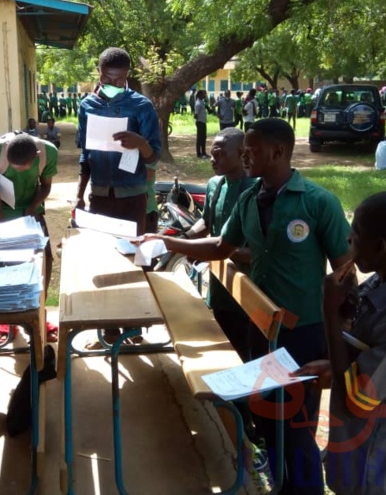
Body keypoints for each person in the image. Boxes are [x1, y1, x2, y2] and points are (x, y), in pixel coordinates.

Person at [142, 119, 351, 493]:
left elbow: (345, 271)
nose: (244, 156)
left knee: (297, 425)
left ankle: (303, 488)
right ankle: (280, 481)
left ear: (279, 152)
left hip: (303, 333)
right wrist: (168, 242)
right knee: (267, 414)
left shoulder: (317, 202)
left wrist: (340, 340)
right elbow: (221, 247)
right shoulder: (250, 197)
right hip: (260, 326)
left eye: (251, 151)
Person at [294, 190, 386, 495]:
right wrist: (347, 317)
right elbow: (370, 352)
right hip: (362, 454)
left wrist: (329, 315)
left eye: (356, 234)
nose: (348, 239)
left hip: (374, 470)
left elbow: (358, 401)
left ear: (380, 247)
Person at [75, 47, 161, 347]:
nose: (115, 82)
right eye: (110, 77)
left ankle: (134, 330)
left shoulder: (141, 107)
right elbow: (85, 154)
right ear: (99, 74)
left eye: (122, 78)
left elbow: (154, 157)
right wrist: (80, 194)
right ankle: (109, 331)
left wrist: (141, 144)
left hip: (133, 195)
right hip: (100, 195)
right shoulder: (87, 105)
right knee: (105, 261)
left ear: (128, 77)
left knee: (133, 259)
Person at [183, 128, 255, 360]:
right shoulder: (216, 184)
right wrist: (185, 240)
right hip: (220, 279)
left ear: (241, 153)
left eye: (220, 153)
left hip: (250, 284)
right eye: (212, 153)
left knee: (246, 345)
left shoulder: (257, 188)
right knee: (223, 335)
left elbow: (256, 251)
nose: (213, 159)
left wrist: (214, 251)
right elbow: (207, 220)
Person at [0, 132, 59, 342]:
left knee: (43, 259)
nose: (20, 171)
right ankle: (6, 318)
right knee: (0, 262)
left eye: (24, 167)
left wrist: (33, 206)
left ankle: (39, 313)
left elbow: (46, 185)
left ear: (37, 155)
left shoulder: (48, 153)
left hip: (29, 211)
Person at [194, 89, 210, 159]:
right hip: (200, 122)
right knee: (200, 138)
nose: (205, 95)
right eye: (204, 94)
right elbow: (195, 115)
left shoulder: (202, 102)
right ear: (201, 95)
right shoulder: (198, 103)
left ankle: (203, 152)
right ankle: (199, 154)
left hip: (203, 122)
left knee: (203, 137)